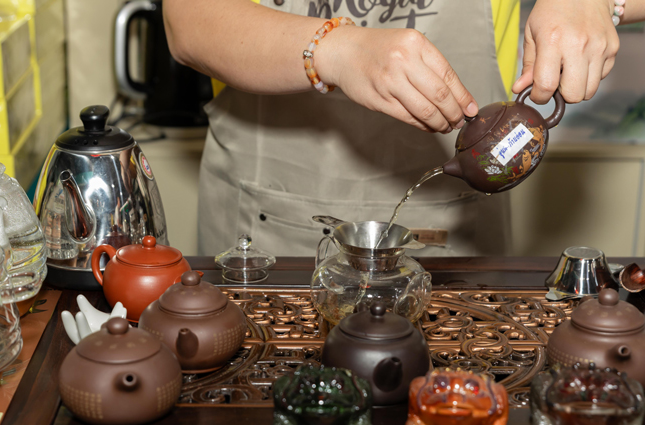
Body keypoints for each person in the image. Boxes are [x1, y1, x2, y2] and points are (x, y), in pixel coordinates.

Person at [163, 0, 642, 256]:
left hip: (455, 238)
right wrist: (336, 49)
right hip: (260, 232)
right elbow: (187, 20)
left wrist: (597, 2)